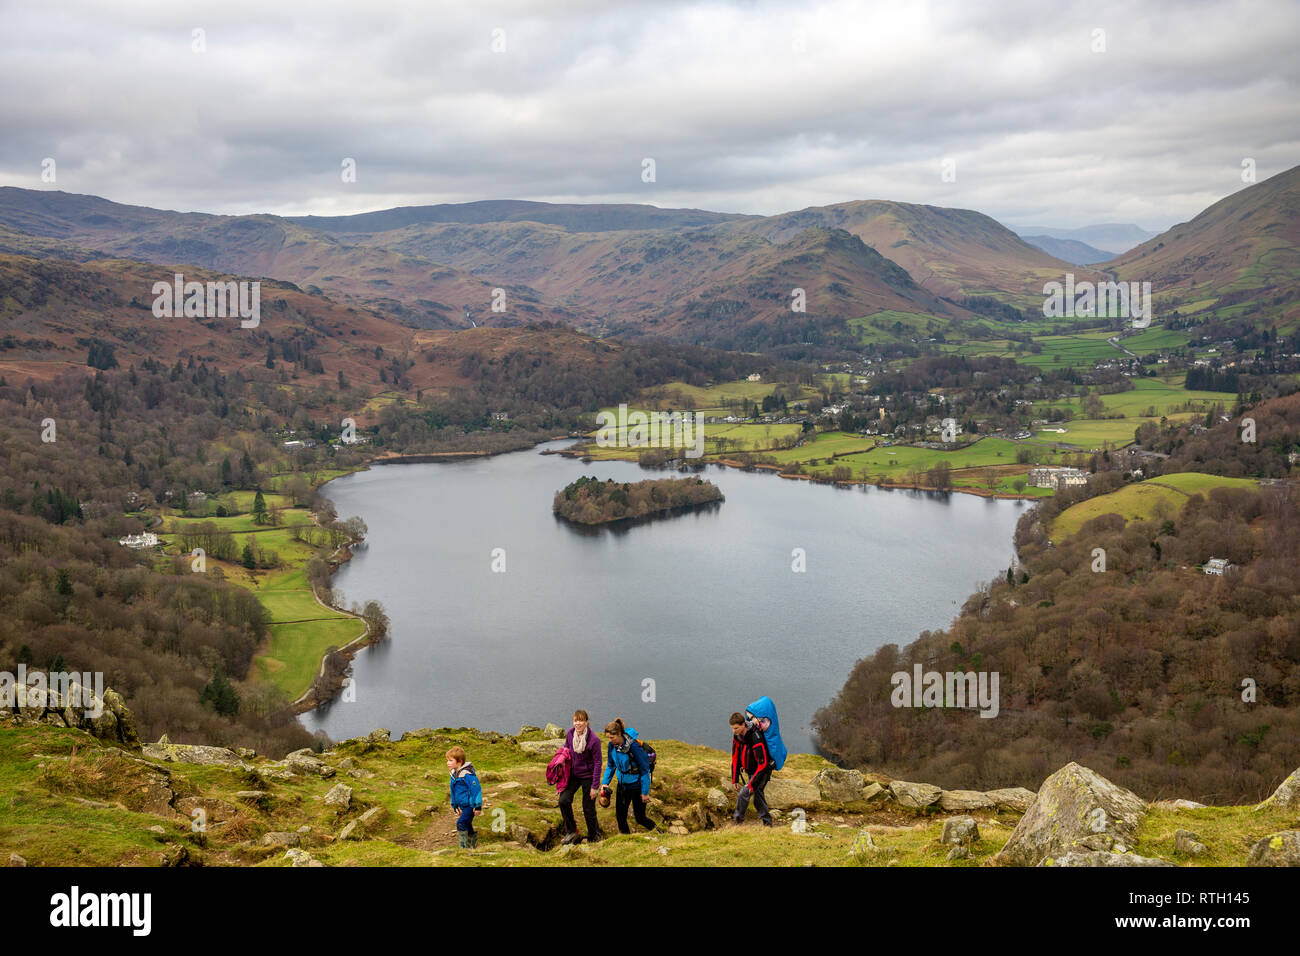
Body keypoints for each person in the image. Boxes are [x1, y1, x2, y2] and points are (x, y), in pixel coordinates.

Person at [600, 718, 656, 834]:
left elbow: (645, 770)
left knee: (640, 818)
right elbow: (611, 765)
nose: (610, 741)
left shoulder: (634, 747)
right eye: (608, 738)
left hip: (637, 787)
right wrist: (605, 783)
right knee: (620, 817)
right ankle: (626, 840)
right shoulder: (612, 746)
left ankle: (660, 833)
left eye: (612, 737)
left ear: (619, 734)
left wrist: (645, 792)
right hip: (622, 786)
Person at [558, 709, 603, 844]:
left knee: (588, 808)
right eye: (576, 720)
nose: (578, 723)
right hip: (573, 775)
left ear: (587, 722)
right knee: (563, 801)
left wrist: (595, 786)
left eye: (581, 720)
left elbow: (598, 763)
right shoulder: (570, 734)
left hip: (588, 777)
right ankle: (571, 831)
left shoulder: (594, 740)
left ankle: (594, 836)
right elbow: (566, 750)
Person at [728, 711, 773, 826]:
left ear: (743, 724)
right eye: (732, 728)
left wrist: (751, 784)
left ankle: (737, 822)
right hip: (751, 770)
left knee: (744, 793)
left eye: (736, 728)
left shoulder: (755, 736)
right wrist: (735, 778)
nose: (734, 731)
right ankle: (767, 823)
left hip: (762, 771)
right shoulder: (737, 736)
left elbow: (763, 764)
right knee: (758, 795)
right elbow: (735, 756)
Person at [446, 745, 483, 849]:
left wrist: (478, 806)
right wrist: (454, 805)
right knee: (467, 823)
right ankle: (473, 845)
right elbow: (453, 791)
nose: (447, 762)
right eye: (447, 760)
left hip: (470, 806)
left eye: (450, 760)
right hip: (462, 805)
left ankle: (464, 849)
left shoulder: (467, 774)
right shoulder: (454, 774)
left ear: (459, 761)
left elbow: (476, 790)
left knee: (461, 823)